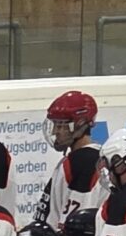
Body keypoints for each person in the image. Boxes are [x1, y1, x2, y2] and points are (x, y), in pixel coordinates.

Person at [35, 90, 105, 228]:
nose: (55, 132)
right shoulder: (81, 159)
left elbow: (75, 225)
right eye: (55, 125)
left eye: (61, 126)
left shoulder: (83, 163)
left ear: (80, 125)